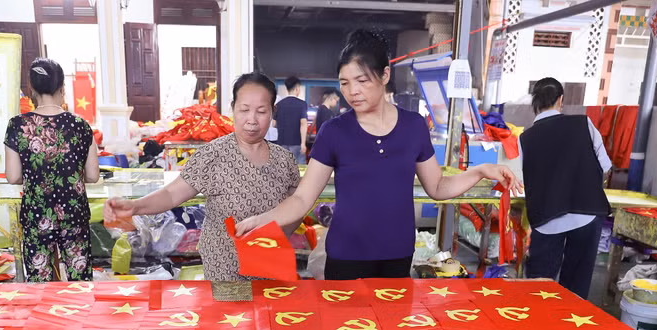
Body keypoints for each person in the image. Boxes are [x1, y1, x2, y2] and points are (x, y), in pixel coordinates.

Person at [236, 30, 518, 280]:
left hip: (397, 257)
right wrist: (264, 219)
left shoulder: (414, 126)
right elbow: (302, 198)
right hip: (346, 257)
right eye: (344, 83)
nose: (352, 91)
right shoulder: (333, 132)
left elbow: (438, 187)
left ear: (384, 75)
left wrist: (480, 171)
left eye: (361, 80)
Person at [103, 73, 300, 282]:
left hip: (271, 266)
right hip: (226, 268)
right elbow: (171, 194)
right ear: (233, 108)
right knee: (232, 315)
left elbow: (296, 205)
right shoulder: (213, 154)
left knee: (269, 314)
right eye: (244, 110)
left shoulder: (284, 160)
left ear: (272, 112)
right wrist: (135, 207)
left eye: (261, 111)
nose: (252, 119)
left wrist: (277, 235)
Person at [4, 57, 100, 282]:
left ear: (31, 88)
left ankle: (44, 317)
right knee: (80, 284)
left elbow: (13, 176)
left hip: (37, 214)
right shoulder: (80, 125)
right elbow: (94, 175)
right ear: (62, 88)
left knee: (40, 284)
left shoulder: (17, 125)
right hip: (74, 214)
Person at [520, 77, 612, 299]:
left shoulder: (525, 138)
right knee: (576, 288)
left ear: (535, 103)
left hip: (547, 219)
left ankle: (538, 328)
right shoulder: (584, 124)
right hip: (587, 215)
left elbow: (523, 181)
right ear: (561, 100)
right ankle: (571, 328)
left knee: (539, 287)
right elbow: (605, 166)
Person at [274, 76, 308, 164]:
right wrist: (303, 143)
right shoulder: (302, 104)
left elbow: (273, 123)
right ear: (297, 88)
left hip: (281, 143)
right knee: (299, 169)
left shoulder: (279, 104)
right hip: (297, 143)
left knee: (283, 168)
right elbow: (303, 123)